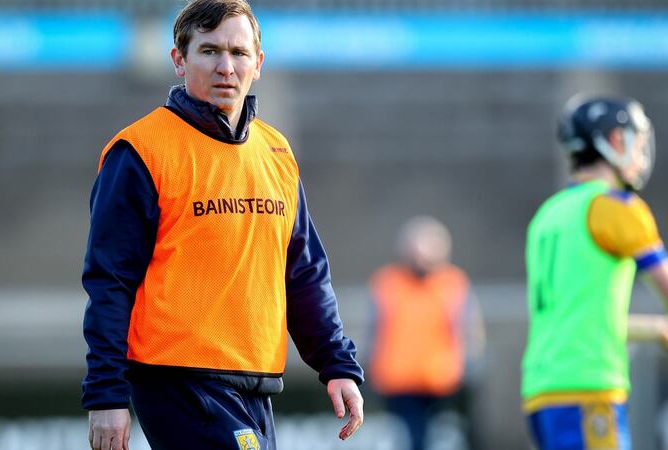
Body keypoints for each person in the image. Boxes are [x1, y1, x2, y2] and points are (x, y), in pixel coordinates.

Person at [80, 1, 364, 449]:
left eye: (238, 52)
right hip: (178, 379)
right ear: (179, 59)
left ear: (259, 63)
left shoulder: (276, 153)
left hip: (256, 383)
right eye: (209, 51)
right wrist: (106, 394)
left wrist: (336, 364)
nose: (225, 67)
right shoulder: (140, 152)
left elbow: (304, 272)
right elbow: (110, 282)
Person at [521, 94, 668, 450]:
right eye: (636, 144)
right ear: (614, 141)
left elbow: (581, 319)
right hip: (588, 389)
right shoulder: (616, 207)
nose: (641, 155)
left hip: (541, 391)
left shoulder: (548, 216)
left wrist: (658, 331)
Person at [368, 216, 485, 450]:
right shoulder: (388, 283)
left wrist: (471, 366)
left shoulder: (453, 283)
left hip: (443, 381)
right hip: (399, 382)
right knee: (410, 441)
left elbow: (469, 329)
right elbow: (375, 329)